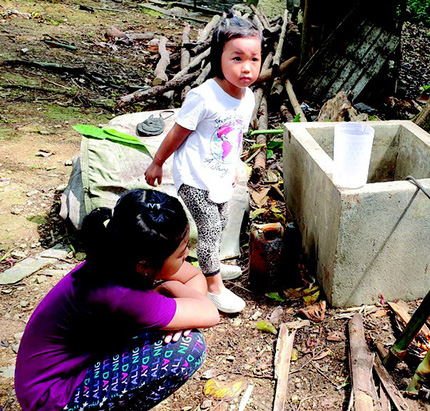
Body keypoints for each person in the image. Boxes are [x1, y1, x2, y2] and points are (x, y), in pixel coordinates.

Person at [15, 189, 219, 411]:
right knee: (188, 349)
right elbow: (209, 312)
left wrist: (178, 301)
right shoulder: (121, 295)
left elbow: (194, 277)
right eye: (181, 254)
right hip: (52, 394)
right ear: (144, 266)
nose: (188, 254)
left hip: (67, 366)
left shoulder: (117, 256)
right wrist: (171, 287)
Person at [144, 16, 262, 314]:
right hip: (195, 177)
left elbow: (236, 136)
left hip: (220, 174)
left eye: (254, 59)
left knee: (220, 223)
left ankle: (213, 265)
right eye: (237, 58)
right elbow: (177, 132)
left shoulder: (247, 97)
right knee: (209, 227)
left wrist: (235, 162)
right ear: (218, 57)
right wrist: (158, 163)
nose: (246, 67)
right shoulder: (204, 97)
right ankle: (213, 287)